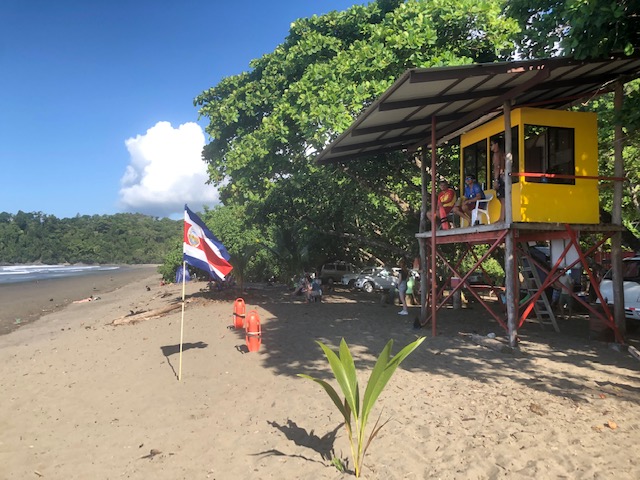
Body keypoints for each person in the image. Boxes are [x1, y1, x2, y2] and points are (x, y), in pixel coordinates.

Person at [491, 138, 506, 223]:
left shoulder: (496, 154)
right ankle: (503, 217)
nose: (491, 147)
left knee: (502, 198)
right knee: (502, 198)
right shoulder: (502, 154)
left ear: (496, 145)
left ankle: (502, 218)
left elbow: (497, 167)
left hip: (500, 177)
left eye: (492, 144)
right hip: (504, 177)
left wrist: (496, 180)